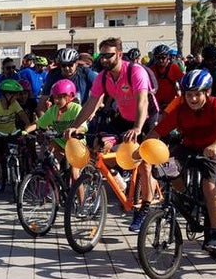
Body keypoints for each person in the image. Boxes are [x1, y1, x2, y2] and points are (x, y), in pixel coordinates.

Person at [66, 37, 158, 231]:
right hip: (123, 119)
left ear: (119, 54)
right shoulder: (103, 77)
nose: (104, 60)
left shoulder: (135, 71)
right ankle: (121, 183)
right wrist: (75, 125)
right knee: (101, 148)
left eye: (109, 55)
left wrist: (138, 128)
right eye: (102, 56)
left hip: (146, 119)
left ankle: (144, 209)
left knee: (144, 163)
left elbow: (142, 101)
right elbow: (91, 103)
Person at [150, 69, 216, 251]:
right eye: (189, 95)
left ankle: (215, 232)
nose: (193, 99)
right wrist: (143, 148)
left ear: (207, 92)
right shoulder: (181, 109)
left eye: (197, 94)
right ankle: (186, 199)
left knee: (209, 185)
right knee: (165, 169)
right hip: (189, 147)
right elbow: (158, 131)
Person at [148, 44, 184, 111]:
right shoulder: (151, 69)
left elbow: (183, 82)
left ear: (168, 57)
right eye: (158, 58)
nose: (161, 60)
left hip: (171, 103)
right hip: (156, 105)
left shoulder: (173, 67)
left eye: (163, 57)